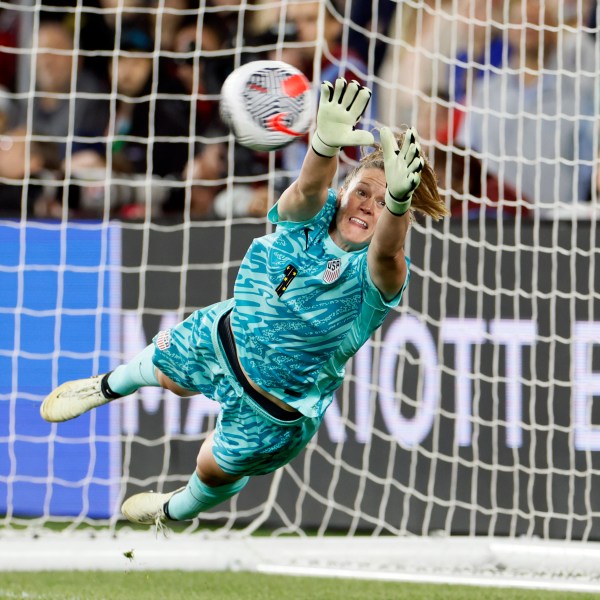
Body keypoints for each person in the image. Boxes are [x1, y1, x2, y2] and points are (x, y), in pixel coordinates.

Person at [40, 78, 448, 527]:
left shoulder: (378, 274)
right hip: (224, 335)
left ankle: (171, 510)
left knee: (211, 465)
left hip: (275, 407)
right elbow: (307, 189)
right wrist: (324, 145)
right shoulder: (311, 215)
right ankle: (102, 387)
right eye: (362, 192)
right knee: (167, 375)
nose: (369, 205)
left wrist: (397, 201)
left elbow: (387, 249)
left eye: (383, 200)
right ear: (344, 190)